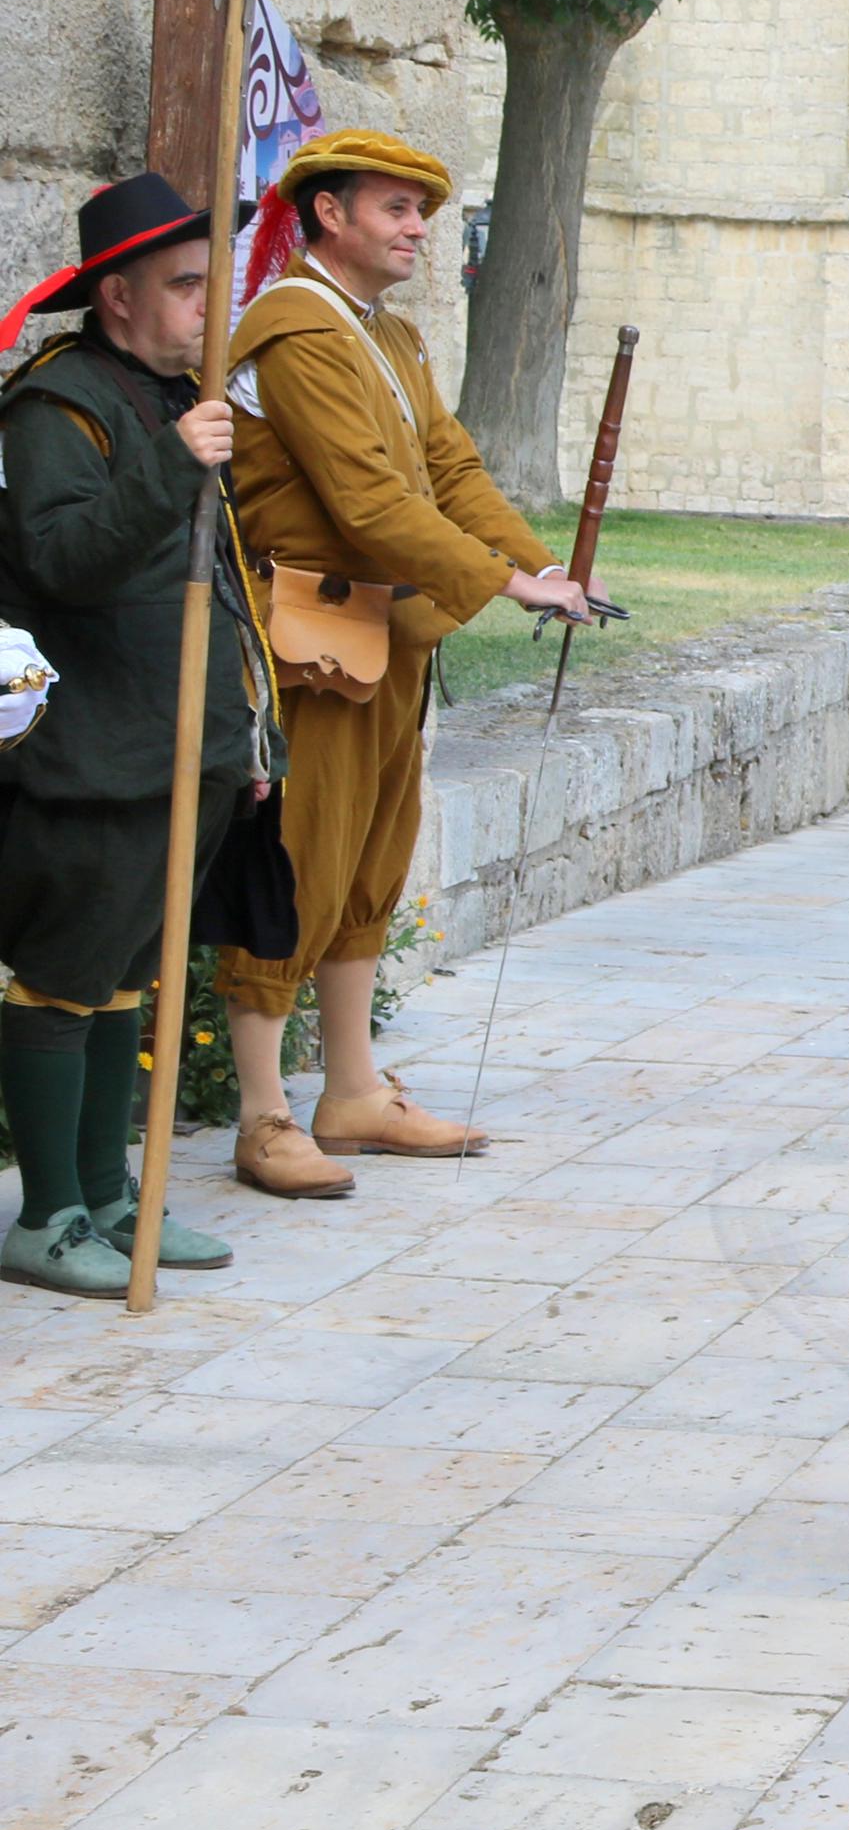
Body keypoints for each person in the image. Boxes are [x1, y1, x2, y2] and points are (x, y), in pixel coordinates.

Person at [215, 131, 597, 1198]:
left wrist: (540, 563)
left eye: (422, 209)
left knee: (371, 864)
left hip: (385, 634)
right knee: (296, 865)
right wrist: (505, 583)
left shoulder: (393, 338)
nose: (418, 227)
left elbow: (449, 467)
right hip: (306, 639)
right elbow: (366, 503)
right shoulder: (296, 331)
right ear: (327, 214)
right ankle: (260, 1115)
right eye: (395, 207)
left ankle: (350, 1092)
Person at [0, 177, 270, 1295]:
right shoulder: (57, 407)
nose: (211, 307)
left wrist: (247, 735)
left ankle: (112, 1196)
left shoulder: (171, 401)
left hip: (184, 751)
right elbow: (64, 560)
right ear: (117, 296)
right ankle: (47, 1213)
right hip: (97, 755)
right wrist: (175, 461)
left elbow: (224, 586)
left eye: (214, 282)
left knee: (125, 979)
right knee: (62, 980)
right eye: (186, 286)